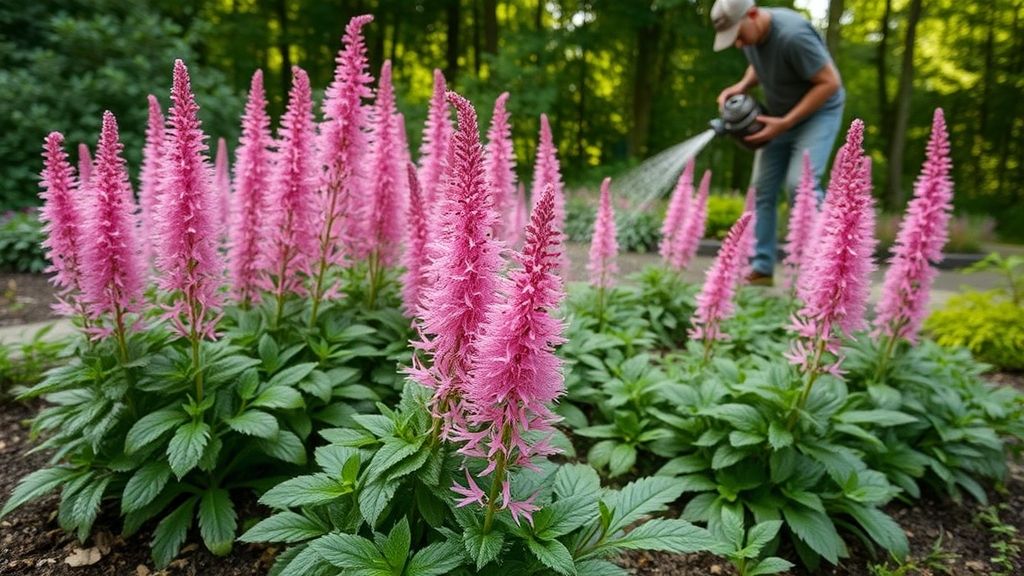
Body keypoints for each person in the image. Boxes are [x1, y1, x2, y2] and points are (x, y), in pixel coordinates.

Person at [711, 0, 845, 286]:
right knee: (762, 188)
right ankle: (762, 267)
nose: (737, 43)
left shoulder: (793, 36)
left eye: (738, 34)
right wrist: (741, 86)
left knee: (801, 185)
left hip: (817, 114)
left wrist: (786, 123)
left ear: (753, 14)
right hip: (778, 115)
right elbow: (759, 65)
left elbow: (830, 82)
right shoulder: (751, 36)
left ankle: (827, 267)